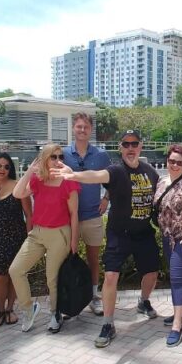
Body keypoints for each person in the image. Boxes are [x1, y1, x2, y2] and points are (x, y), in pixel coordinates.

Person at [53, 130, 161, 348]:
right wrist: (73, 175)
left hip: (143, 232)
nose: (131, 148)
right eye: (126, 144)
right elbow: (96, 175)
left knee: (151, 272)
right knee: (110, 276)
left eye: (135, 144)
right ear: (120, 148)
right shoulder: (116, 171)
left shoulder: (151, 172)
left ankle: (143, 301)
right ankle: (108, 324)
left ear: (140, 147)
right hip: (119, 233)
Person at [8, 143, 80, 333]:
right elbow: (17, 193)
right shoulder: (38, 179)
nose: (58, 161)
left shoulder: (67, 180)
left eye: (60, 157)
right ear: (44, 159)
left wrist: (74, 241)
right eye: (53, 157)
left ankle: (55, 314)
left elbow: (74, 213)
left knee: (52, 279)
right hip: (37, 233)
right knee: (16, 270)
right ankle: (28, 308)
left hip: (60, 234)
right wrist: (30, 171)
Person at [63, 113, 111, 316]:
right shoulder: (63, 154)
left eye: (86, 127)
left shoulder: (101, 155)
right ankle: (67, 299)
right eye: (79, 126)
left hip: (92, 214)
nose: (82, 130)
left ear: (91, 130)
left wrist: (106, 198)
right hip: (66, 217)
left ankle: (94, 296)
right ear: (73, 128)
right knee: (65, 259)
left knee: (93, 258)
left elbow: (112, 180)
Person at [153, 145, 182, 346]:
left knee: (177, 277)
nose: (174, 165)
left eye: (179, 162)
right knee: (175, 274)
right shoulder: (162, 182)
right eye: (171, 161)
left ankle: (177, 324)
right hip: (166, 235)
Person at [0, 152, 29, 326]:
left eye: (6, 166)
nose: (2, 169)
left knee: (14, 275)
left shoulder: (18, 186)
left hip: (16, 235)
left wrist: (29, 239)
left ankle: (10, 309)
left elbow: (29, 215)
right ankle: (0, 310)